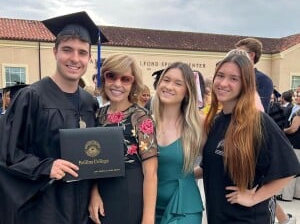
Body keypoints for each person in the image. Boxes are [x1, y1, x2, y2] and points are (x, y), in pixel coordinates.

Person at [0, 11, 103, 224]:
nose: (75, 59)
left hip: (82, 210)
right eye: (67, 50)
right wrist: (46, 167)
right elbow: (7, 153)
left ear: (89, 58)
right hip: (43, 208)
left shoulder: (89, 102)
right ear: (55, 51)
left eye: (82, 52)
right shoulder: (31, 97)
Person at [202, 52, 300, 224]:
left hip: (247, 218)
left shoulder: (258, 122)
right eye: (221, 76)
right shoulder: (217, 122)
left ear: (245, 84)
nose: (223, 83)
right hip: (218, 216)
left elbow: (290, 168)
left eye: (234, 78)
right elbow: (213, 166)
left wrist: (254, 198)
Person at [88, 53, 158, 224]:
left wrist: (148, 219)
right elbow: (92, 164)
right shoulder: (98, 115)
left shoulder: (141, 117)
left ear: (133, 84)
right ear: (103, 78)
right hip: (101, 196)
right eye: (111, 76)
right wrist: (94, 193)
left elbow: (151, 172)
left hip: (129, 193)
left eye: (125, 79)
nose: (117, 84)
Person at [152, 62, 204, 223]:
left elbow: (217, 163)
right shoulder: (144, 123)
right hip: (148, 205)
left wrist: (185, 174)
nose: (169, 86)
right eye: (166, 80)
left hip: (183, 208)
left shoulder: (199, 124)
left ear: (187, 91)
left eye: (178, 83)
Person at [235, 37, 273, 111]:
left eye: (240, 54)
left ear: (251, 55)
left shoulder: (263, 80)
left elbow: (260, 110)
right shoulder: (235, 76)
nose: (235, 57)